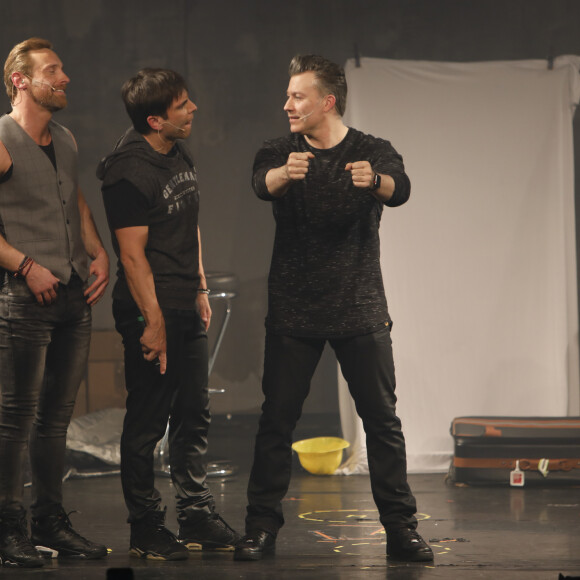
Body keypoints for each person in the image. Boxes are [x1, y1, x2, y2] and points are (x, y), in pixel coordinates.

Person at [234, 54, 433, 563]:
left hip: (359, 306)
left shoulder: (372, 150)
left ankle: (401, 529)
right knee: (277, 420)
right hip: (294, 311)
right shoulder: (279, 150)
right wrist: (284, 174)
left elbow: (402, 190)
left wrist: (376, 182)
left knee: (382, 421)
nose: (287, 105)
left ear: (327, 101)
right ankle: (260, 527)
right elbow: (261, 184)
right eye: (288, 96)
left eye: (297, 96)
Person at [97, 68, 239, 561]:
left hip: (183, 300)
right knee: (147, 420)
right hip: (146, 307)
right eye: (182, 105)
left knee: (193, 412)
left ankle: (196, 513)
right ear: (156, 120)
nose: (193, 109)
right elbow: (132, 258)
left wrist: (199, 285)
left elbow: (189, 223)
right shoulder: (125, 171)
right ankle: (145, 526)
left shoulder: (178, 151)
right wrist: (153, 322)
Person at [0, 38, 110, 568]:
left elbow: (71, 194)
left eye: (62, 69)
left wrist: (97, 248)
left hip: (70, 294)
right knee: (15, 419)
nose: (64, 78)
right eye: (52, 70)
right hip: (25, 295)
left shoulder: (63, 137)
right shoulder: (0, 137)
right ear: (20, 80)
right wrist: (24, 264)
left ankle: (50, 521)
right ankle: (7, 528)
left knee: (55, 419)